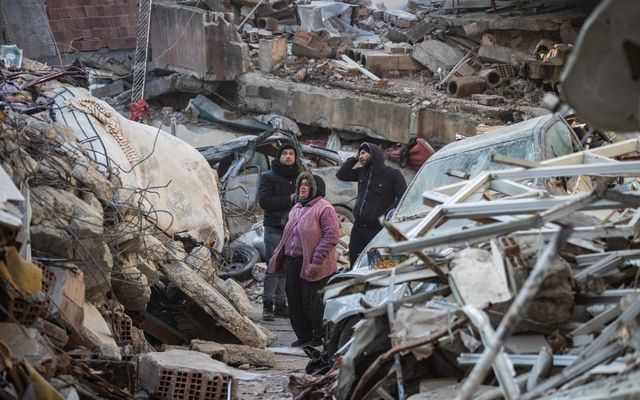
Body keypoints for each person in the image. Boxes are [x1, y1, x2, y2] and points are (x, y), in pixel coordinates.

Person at [268, 172, 339, 346]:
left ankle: (318, 336)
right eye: (301, 183)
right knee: (294, 300)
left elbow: (331, 235)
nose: (302, 187)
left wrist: (317, 260)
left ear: (316, 189)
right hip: (294, 262)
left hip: (316, 263)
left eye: (307, 184)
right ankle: (304, 336)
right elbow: (288, 234)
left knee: (313, 303)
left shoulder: (324, 208)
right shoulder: (297, 207)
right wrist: (280, 255)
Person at [336, 142, 407, 266]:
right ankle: (356, 283)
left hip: (376, 230)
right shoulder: (361, 173)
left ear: (374, 154)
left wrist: (386, 215)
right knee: (355, 262)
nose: (360, 156)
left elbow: (403, 196)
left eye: (364, 153)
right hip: (358, 228)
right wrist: (353, 158)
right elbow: (341, 174)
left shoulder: (392, 175)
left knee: (375, 263)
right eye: (359, 153)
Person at [258, 142, 302, 321]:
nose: (288, 156)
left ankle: (281, 304)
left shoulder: (300, 177)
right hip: (274, 225)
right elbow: (264, 201)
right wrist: (289, 199)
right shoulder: (268, 176)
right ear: (279, 156)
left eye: (291, 153)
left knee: (285, 266)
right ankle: (268, 305)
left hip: (292, 228)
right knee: (273, 265)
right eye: (285, 153)